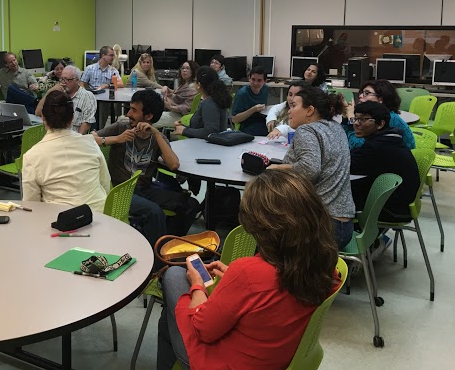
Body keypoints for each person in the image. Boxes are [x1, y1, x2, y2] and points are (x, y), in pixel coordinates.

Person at [157, 169, 340, 370]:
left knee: (174, 276)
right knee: (169, 320)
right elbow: (272, 295)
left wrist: (197, 285)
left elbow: (202, 330)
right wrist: (238, 283)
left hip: (227, 363)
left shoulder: (248, 272)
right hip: (280, 357)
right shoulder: (324, 263)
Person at [94, 90, 199, 243]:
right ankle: (158, 252)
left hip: (145, 189)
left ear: (148, 116)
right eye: (129, 108)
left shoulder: (157, 137)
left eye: (134, 110)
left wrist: (156, 134)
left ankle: (167, 243)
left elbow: (173, 164)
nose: (128, 114)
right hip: (120, 190)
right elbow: (89, 138)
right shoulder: (121, 127)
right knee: (154, 212)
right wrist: (116, 139)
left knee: (191, 205)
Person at [268, 86, 355, 249]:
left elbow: (309, 169)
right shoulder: (336, 128)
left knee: (262, 222)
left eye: (294, 106)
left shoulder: (306, 130)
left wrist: (277, 168)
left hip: (321, 227)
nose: (289, 111)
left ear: (309, 110)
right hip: (343, 226)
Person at [22, 91, 110, 212]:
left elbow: (31, 205)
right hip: (100, 217)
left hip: (59, 220)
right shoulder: (90, 143)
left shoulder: (32, 156)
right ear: (72, 118)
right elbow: (105, 183)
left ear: (43, 117)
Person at [349, 101, 420, 222]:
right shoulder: (389, 139)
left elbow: (347, 165)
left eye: (363, 119)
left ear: (380, 124)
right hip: (399, 202)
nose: (356, 123)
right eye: (355, 119)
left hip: (393, 210)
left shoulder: (379, 146)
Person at [343, 79, 415, 150]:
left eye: (367, 93)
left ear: (381, 99)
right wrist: (345, 118)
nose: (360, 96)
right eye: (361, 93)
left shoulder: (389, 118)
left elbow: (358, 146)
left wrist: (351, 119)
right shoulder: (370, 116)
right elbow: (342, 139)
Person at [35, 65, 96, 134]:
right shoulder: (57, 94)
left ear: (77, 80)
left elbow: (86, 123)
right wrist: (49, 92)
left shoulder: (87, 96)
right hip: (55, 135)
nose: (64, 82)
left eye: (68, 80)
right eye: (62, 79)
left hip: (74, 136)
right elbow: (38, 112)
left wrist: (77, 138)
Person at [174, 66, 230, 140]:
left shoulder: (209, 103)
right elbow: (201, 128)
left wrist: (185, 131)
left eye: (195, 80)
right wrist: (183, 128)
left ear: (199, 85)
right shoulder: (215, 99)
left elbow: (210, 131)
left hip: (207, 145)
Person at [82, 45, 120, 127]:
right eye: (111, 55)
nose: (113, 57)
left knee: (100, 124)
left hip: (105, 101)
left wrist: (107, 85)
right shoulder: (90, 69)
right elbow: (82, 84)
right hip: (92, 100)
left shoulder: (113, 70)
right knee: (91, 122)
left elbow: (120, 84)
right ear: (103, 56)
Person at [156, 61, 199, 128]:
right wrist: (168, 89)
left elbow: (186, 107)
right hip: (174, 113)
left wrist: (170, 107)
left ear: (193, 71)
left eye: (187, 68)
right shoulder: (185, 84)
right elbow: (177, 94)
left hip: (181, 116)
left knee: (152, 118)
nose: (184, 70)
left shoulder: (193, 88)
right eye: (183, 68)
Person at [231, 66, 269, 136]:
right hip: (246, 125)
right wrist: (253, 110)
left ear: (265, 81)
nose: (255, 83)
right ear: (249, 79)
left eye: (259, 80)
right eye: (253, 79)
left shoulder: (265, 89)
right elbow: (234, 119)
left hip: (260, 120)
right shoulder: (242, 94)